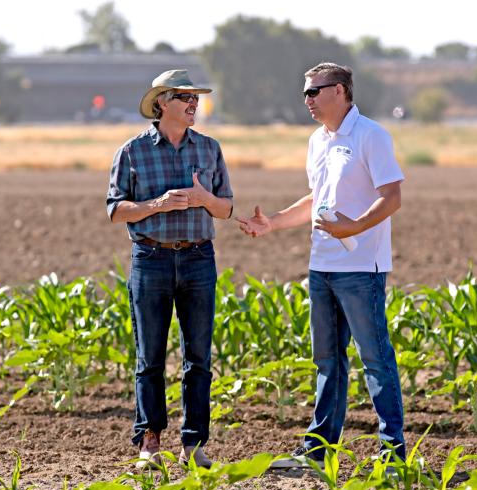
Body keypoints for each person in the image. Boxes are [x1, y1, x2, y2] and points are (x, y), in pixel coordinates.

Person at [237, 62, 405, 469]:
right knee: (327, 360)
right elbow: (316, 199)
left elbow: (392, 196)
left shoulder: (371, 135)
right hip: (322, 266)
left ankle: (393, 453)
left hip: (362, 267)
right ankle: (317, 450)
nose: (307, 100)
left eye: (315, 91)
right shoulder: (317, 141)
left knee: (375, 359)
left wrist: (356, 225)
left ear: (341, 91)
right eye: (305, 93)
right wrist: (273, 223)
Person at [107, 69, 233, 469]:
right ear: (161, 103)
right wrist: (157, 204)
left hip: (199, 259)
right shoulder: (131, 152)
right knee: (150, 357)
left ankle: (193, 444)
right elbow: (115, 209)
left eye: (195, 98)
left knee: (199, 357)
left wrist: (202, 198)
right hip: (151, 259)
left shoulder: (210, 149)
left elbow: (227, 208)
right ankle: (149, 440)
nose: (193, 104)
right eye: (184, 97)